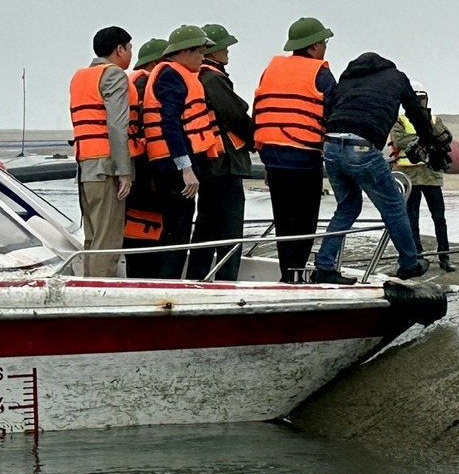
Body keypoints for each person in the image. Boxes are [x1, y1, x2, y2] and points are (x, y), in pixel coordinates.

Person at [312, 51, 440, 283]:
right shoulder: (396, 77)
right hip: (361, 147)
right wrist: (428, 139)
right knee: (393, 205)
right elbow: (415, 112)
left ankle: (324, 265)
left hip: (331, 146)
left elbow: (329, 109)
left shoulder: (346, 79)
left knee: (347, 207)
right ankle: (410, 263)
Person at [252, 18, 336, 282]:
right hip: (304, 158)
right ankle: (296, 276)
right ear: (312, 47)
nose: (325, 47)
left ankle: (287, 274)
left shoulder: (271, 70)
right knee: (304, 224)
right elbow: (333, 113)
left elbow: (260, 110)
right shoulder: (319, 72)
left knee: (284, 223)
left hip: (273, 160)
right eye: (323, 42)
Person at [139, 25, 223, 279]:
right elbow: (170, 123)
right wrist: (185, 167)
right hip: (172, 165)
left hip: (173, 162)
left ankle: (169, 279)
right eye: (199, 52)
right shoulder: (171, 75)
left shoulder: (178, 73)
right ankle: (169, 283)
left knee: (179, 225)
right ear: (184, 52)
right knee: (178, 227)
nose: (202, 57)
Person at [188, 23, 254, 280]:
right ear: (212, 51)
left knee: (205, 226)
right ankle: (227, 281)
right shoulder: (213, 77)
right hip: (224, 163)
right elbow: (234, 115)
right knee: (229, 228)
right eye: (224, 46)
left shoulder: (197, 76)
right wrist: (257, 140)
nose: (228, 51)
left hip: (209, 162)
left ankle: (196, 278)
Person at [68, 25, 134, 277]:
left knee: (92, 238)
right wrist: (124, 171)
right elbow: (117, 126)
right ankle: (100, 292)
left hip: (85, 167)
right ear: (119, 49)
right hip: (106, 167)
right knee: (108, 242)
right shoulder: (114, 75)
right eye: (129, 48)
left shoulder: (80, 77)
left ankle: (87, 287)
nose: (130, 53)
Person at [389, 90, 455, 273]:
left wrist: (425, 136)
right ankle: (417, 255)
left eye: (422, 99)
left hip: (431, 174)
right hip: (409, 176)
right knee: (412, 218)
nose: (419, 102)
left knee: (439, 218)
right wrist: (425, 136)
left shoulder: (434, 119)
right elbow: (400, 141)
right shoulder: (400, 120)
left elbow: (445, 137)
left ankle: (444, 256)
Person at [121, 36, 167, 275]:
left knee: (135, 227)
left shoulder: (132, 83)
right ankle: (147, 277)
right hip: (145, 168)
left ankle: (139, 274)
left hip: (133, 165)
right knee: (146, 228)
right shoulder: (147, 85)